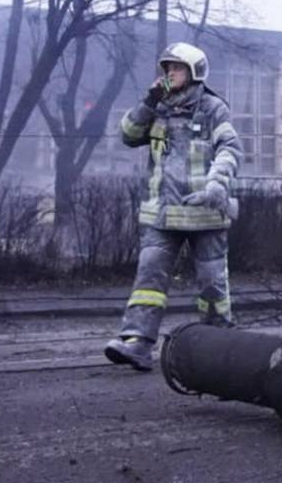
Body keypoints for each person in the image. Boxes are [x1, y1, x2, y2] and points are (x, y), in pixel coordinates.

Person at [103, 42, 243, 372]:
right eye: (166, 69)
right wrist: (148, 100)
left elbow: (230, 149)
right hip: (162, 214)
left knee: (212, 283)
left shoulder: (213, 108)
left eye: (176, 69)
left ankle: (217, 345)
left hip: (206, 212)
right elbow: (127, 134)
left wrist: (216, 185)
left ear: (195, 72)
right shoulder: (157, 108)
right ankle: (137, 342)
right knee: (149, 278)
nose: (169, 74)